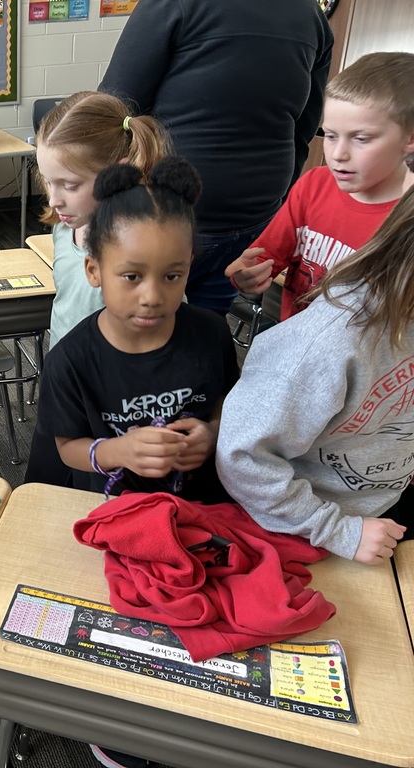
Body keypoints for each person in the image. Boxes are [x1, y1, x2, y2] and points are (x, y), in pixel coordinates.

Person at [218, 186, 414, 566]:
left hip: (383, 502)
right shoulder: (328, 342)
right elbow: (243, 459)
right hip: (313, 528)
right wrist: (339, 530)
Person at [24, 156, 238, 503]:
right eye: (132, 277)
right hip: (115, 509)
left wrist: (211, 433)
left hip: (201, 507)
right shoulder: (71, 360)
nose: (152, 297)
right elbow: (66, 448)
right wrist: (118, 451)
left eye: (172, 276)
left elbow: (224, 400)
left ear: (189, 267)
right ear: (94, 271)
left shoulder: (211, 334)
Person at [100, 0, 333, 315]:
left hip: (170, 214)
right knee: (204, 335)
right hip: (255, 209)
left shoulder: (172, 5)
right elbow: (304, 128)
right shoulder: (310, 14)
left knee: (138, 332)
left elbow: (115, 110)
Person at [225, 52, 414, 321]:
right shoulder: (314, 184)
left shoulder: (405, 216)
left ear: (410, 138)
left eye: (360, 138)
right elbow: (264, 258)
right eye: (331, 136)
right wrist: (245, 276)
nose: (338, 154)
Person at [34, 91, 169, 349]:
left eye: (70, 185)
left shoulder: (142, 252)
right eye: (48, 182)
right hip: (67, 373)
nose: (53, 200)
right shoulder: (65, 229)